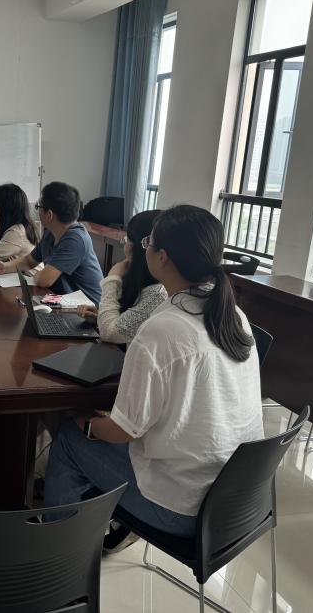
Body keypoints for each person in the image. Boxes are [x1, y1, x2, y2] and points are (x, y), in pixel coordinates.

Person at [43, 205, 263, 552]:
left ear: (161, 257)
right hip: (235, 502)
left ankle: (57, 557)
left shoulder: (162, 329)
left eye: (147, 242)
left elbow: (123, 430)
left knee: (71, 437)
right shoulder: (233, 314)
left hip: (183, 508)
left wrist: (84, 422)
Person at [0, 181, 103, 303]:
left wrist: (37, 275)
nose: (37, 211)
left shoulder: (76, 239)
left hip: (88, 308)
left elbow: (44, 280)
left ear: (49, 215)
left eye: (38, 207)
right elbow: (29, 261)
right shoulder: (51, 232)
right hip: (62, 301)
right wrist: (4, 267)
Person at [77, 210, 167, 343]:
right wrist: (100, 318)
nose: (124, 244)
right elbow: (125, 327)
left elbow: (110, 334)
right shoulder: (141, 280)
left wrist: (112, 278)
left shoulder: (158, 293)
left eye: (127, 239)